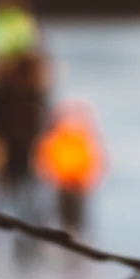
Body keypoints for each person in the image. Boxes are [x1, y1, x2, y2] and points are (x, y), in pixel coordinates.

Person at [0, 0, 52, 260]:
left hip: (25, 143)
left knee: (26, 199)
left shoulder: (31, 69)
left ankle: (27, 249)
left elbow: (41, 110)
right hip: (3, 143)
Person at [36, 100, 107, 237]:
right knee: (63, 221)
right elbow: (47, 160)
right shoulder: (59, 140)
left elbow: (95, 163)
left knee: (77, 225)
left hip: (77, 189)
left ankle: (75, 236)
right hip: (64, 189)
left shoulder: (81, 141)